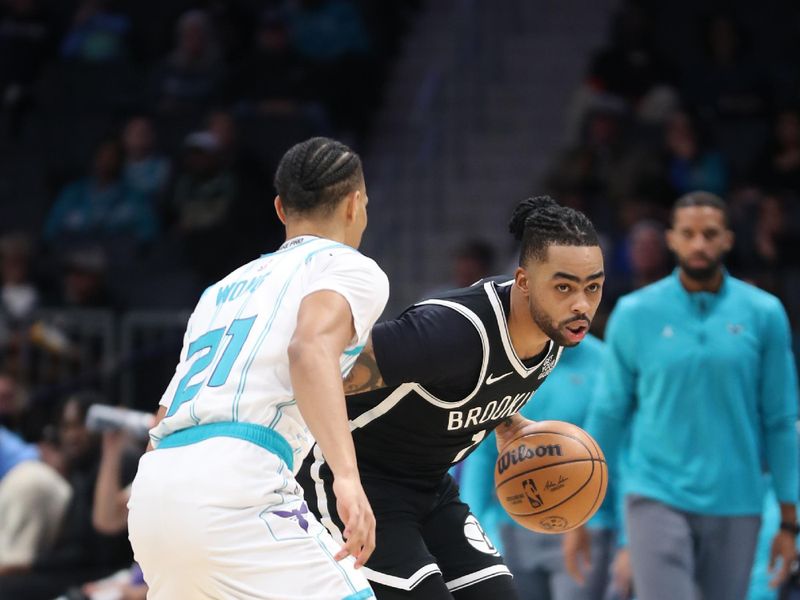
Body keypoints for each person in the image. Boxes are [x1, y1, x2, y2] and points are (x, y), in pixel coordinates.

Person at [297, 195, 606, 599]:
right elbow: (319, 366)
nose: (581, 304)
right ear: (525, 282)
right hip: (356, 476)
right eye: (564, 286)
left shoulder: (556, 335)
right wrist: (344, 478)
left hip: (429, 485)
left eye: (593, 287)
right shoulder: (450, 333)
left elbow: (468, 383)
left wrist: (507, 418)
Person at [127, 137, 389, 600]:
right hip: (237, 480)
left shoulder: (218, 291)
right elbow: (308, 350)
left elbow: (159, 420)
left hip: (154, 489)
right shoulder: (348, 267)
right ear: (354, 205)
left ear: (280, 209)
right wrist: (347, 479)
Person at [572, 191, 799, 600]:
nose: (699, 244)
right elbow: (609, 413)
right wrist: (580, 512)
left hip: (737, 496)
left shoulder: (764, 313)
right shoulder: (634, 312)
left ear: (727, 239)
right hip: (655, 492)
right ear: (672, 240)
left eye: (710, 234)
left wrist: (788, 518)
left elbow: (781, 419)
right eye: (689, 234)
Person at [459, 334, 619, 600]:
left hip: (586, 527)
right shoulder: (505, 360)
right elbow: (483, 452)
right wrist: (473, 532)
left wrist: (624, 539)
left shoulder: (604, 363)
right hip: (510, 526)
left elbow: (615, 453)